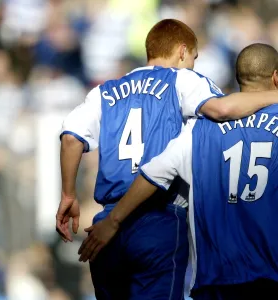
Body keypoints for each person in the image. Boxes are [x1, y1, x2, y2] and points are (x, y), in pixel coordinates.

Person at [56, 19, 278, 299]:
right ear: (182, 52)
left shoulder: (105, 91)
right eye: (194, 59)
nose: (194, 66)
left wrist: (68, 194)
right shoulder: (181, 79)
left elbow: (71, 137)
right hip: (158, 216)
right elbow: (221, 110)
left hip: (107, 225)